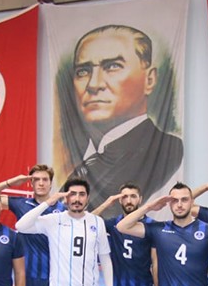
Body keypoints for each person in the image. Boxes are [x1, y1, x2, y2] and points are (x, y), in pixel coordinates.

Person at [63, 25, 183, 210]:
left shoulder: (167, 148)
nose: (93, 84)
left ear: (149, 79)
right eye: (83, 71)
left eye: (112, 66)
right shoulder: (86, 156)